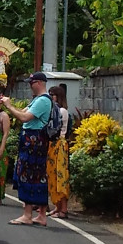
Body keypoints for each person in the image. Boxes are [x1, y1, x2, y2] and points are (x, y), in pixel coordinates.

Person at [1, 71, 52, 227]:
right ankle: (41, 215)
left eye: (31, 83)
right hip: (34, 141)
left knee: (27, 175)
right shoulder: (38, 100)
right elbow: (22, 112)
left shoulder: (43, 101)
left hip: (34, 142)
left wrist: (9, 106)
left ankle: (28, 214)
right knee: (38, 176)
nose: (30, 86)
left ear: (38, 83)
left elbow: (24, 118)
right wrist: (9, 106)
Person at [47, 85, 70, 218]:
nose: (50, 97)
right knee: (52, 176)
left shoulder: (61, 111)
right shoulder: (53, 110)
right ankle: (57, 207)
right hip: (52, 145)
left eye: (53, 94)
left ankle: (63, 210)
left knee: (60, 177)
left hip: (59, 146)